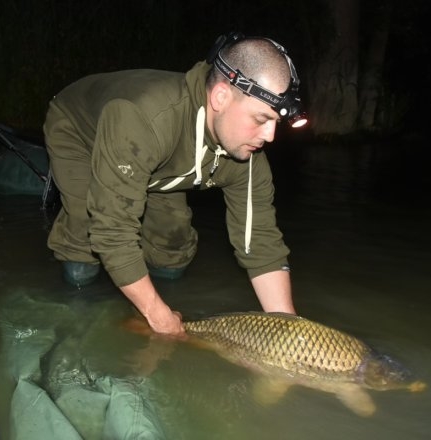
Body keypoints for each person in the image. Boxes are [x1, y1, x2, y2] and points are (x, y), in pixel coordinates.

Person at [43, 32, 307, 336]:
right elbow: (112, 231)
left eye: (276, 123)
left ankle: (143, 292)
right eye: (261, 119)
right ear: (220, 97)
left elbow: (259, 241)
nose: (270, 136)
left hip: (155, 157)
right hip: (80, 133)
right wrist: (159, 316)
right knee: (85, 239)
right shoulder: (143, 117)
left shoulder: (246, 153)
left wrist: (289, 331)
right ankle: (77, 315)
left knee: (172, 250)